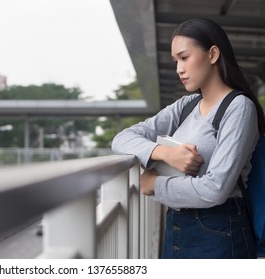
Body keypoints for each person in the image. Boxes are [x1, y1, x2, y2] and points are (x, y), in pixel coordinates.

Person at [111, 18, 265, 259]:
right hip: (176, 225)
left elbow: (215, 189)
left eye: (184, 57)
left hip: (221, 230)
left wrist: (154, 185)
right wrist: (165, 153)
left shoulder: (239, 107)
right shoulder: (186, 106)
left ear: (213, 54)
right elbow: (122, 138)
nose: (178, 69)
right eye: (175, 61)